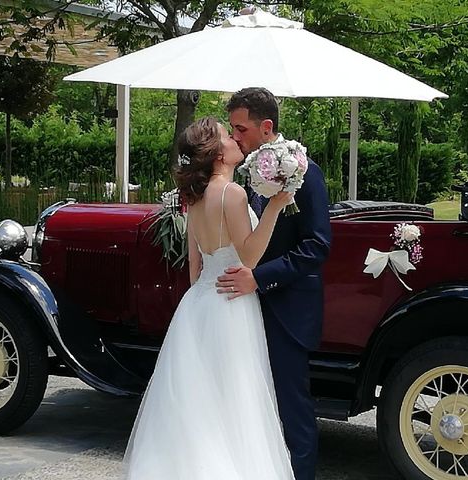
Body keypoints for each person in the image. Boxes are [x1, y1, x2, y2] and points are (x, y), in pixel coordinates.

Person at [123, 117, 295, 479]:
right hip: (230, 304)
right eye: (225, 135)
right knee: (234, 402)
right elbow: (248, 258)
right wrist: (276, 208)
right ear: (217, 154)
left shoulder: (194, 197)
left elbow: (194, 266)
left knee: (198, 409)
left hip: (198, 304)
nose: (234, 138)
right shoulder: (232, 193)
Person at [217, 87, 332, 480]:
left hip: (287, 309)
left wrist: (260, 278)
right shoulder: (245, 174)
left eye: (241, 129)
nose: (235, 137)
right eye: (232, 129)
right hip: (244, 308)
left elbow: (317, 245)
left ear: (267, 127)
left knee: (291, 404)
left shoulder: (304, 170)